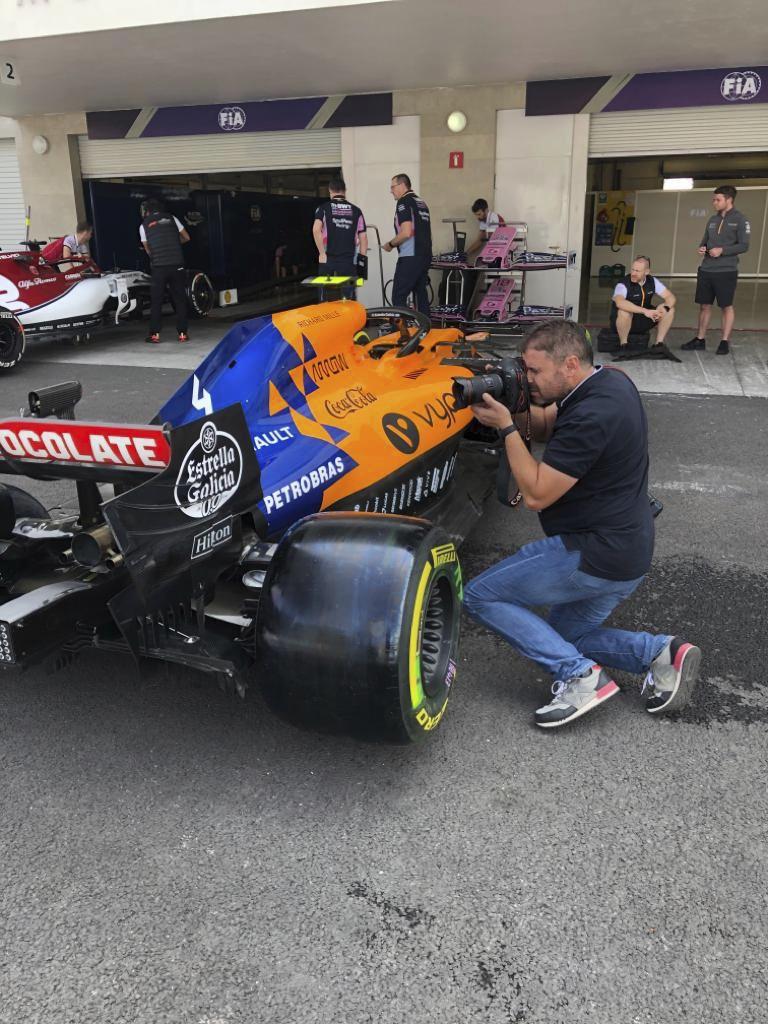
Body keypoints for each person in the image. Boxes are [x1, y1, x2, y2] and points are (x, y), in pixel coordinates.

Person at [463, 319, 701, 729]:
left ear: (569, 364)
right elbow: (548, 424)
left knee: (480, 596)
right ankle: (660, 653)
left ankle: (579, 676)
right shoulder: (608, 381)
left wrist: (505, 427)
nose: (528, 379)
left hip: (592, 551)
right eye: (525, 370)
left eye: (535, 372)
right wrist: (512, 407)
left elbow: (536, 494)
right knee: (563, 634)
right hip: (628, 551)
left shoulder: (592, 414)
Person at [682, 185, 750, 356]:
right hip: (706, 269)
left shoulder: (741, 220)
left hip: (726, 270)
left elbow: (744, 245)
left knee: (726, 306)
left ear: (729, 200)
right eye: (713, 199)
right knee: (704, 306)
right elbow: (704, 241)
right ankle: (700, 339)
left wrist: (722, 250)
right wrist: (702, 248)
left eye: (718, 199)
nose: (714, 202)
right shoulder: (712, 219)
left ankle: (724, 341)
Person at [139, 199, 190, 344]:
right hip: (177, 264)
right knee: (179, 299)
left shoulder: (143, 226)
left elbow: (148, 249)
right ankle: (182, 334)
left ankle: (155, 334)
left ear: (147, 211)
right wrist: (174, 242)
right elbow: (187, 237)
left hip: (159, 267)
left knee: (156, 300)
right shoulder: (172, 218)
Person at [383, 173, 432, 315]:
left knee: (398, 296)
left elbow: (406, 232)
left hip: (410, 257)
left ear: (402, 185)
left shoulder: (404, 202)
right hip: (425, 255)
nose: (391, 190)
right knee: (420, 295)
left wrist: (390, 244)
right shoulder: (421, 202)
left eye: (392, 187)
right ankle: (425, 331)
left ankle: (403, 334)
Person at [312, 177, 367, 299]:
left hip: (327, 259)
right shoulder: (357, 211)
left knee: (323, 297)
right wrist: (362, 261)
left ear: (330, 191)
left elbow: (316, 230)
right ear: (345, 191)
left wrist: (322, 253)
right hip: (348, 261)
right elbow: (363, 238)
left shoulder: (323, 208)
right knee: (348, 298)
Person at [610, 256, 676, 349]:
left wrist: (665, 308)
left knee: (669, 309)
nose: (633, 273)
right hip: (623, 322)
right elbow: (620, 303)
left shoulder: (652, 281)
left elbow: (670, 297)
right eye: (632, 269)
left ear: (646, 272)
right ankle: (623, 345)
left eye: (637, 271)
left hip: (643, 320)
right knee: (623, 311)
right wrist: (645, 311)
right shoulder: (623, 284)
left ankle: (659, 344)